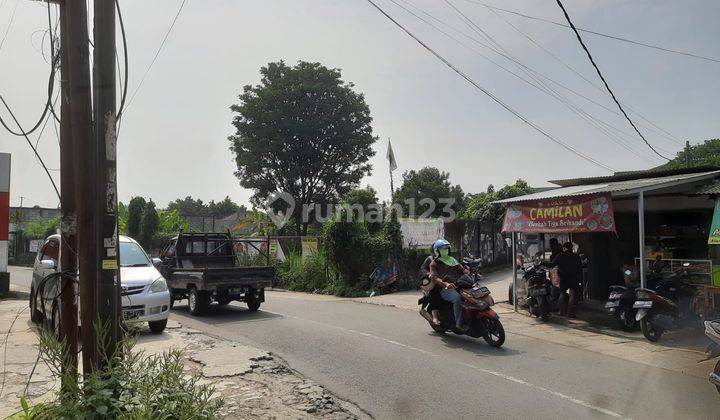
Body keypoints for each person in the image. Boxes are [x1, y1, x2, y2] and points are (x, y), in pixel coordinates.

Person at [429, 239, 470, 331]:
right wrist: (445, 283)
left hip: (458, 285)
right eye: (443, 249)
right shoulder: (434, 263)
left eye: (447, 248)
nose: (445, 250)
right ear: (437, 250)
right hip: (445, 288)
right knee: (457, 299)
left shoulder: (452, 260)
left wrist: (467, 272)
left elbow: (461, 269)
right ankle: (459, 324)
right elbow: (435, 277)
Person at [548, 242, 583, 317]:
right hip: (574, 277)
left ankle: (561, 312)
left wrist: (543, 263)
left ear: (564, 248)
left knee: (562, 293)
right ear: (571, 248)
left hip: (563, 277)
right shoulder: (576, 256)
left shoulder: (561, 255)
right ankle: (570, 313)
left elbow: (552, 264)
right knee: (572, 294)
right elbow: (580, 268)